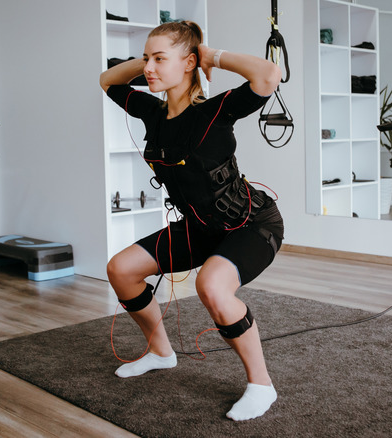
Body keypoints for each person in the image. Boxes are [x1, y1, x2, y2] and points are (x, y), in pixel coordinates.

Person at [99, 20, 284, 421]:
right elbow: (107, 80)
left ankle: (261, 385)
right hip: (199, 228)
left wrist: (210, 55)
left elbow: (269, 75)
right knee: (121, 270)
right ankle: (161, 353)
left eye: (159, 59)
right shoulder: (153, 110)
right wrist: (149, 62)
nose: (148, 67)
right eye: (146, 58)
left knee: (212, 287)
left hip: (251, 224)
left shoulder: (216, 110)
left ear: (188, 63)